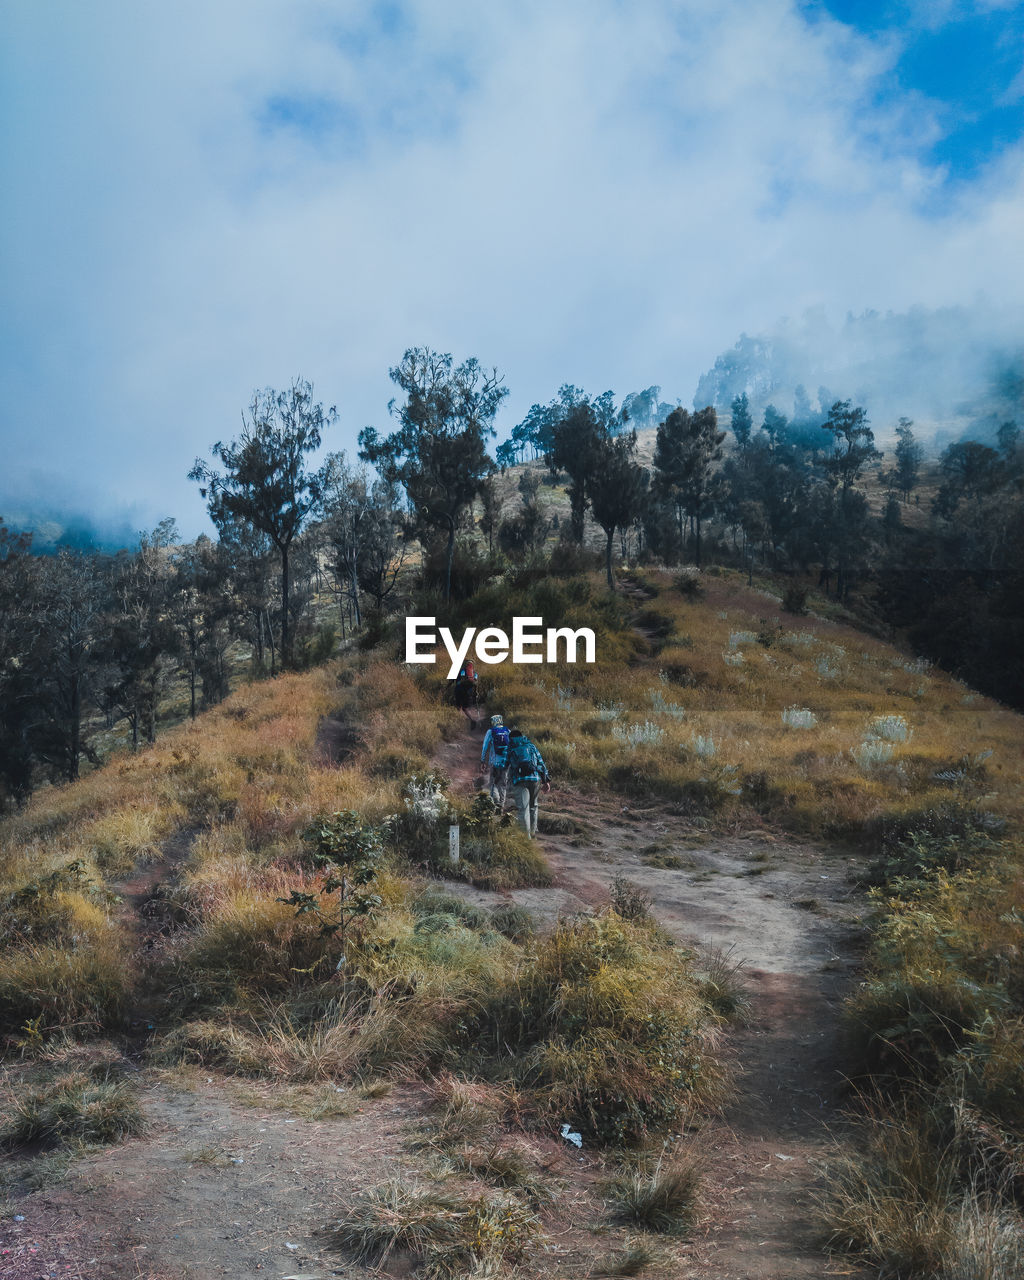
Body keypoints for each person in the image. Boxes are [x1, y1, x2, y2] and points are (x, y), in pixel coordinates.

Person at [506, 728, 550, 838]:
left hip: (519, 780)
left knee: (523, 809)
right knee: (533, 806)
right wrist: (546, 781)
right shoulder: (531, 746)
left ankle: (526, 838)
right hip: (535, 779)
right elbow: (541, 762)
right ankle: (533, 833)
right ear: (522, 736)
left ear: (510, 738)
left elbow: (505, 764)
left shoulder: (511, 747)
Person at [480, 714, 511, 808]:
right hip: (506, 762)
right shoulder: (508, 731)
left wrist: (482, 761)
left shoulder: (491, 731)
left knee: (493, 783)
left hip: (494, 762)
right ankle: (501, 805)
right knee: (503, 784)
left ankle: (496, 802)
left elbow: (485, 747)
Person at [452, 660, 478, 728]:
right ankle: (472, 720)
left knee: (458, 707)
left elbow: (462, 678)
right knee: (465, 708)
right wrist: (475, 693)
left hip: (460, 691)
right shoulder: (474, 673)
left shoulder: (463, 670)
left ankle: (458, 723)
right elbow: (475, 682)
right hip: (469, 693)